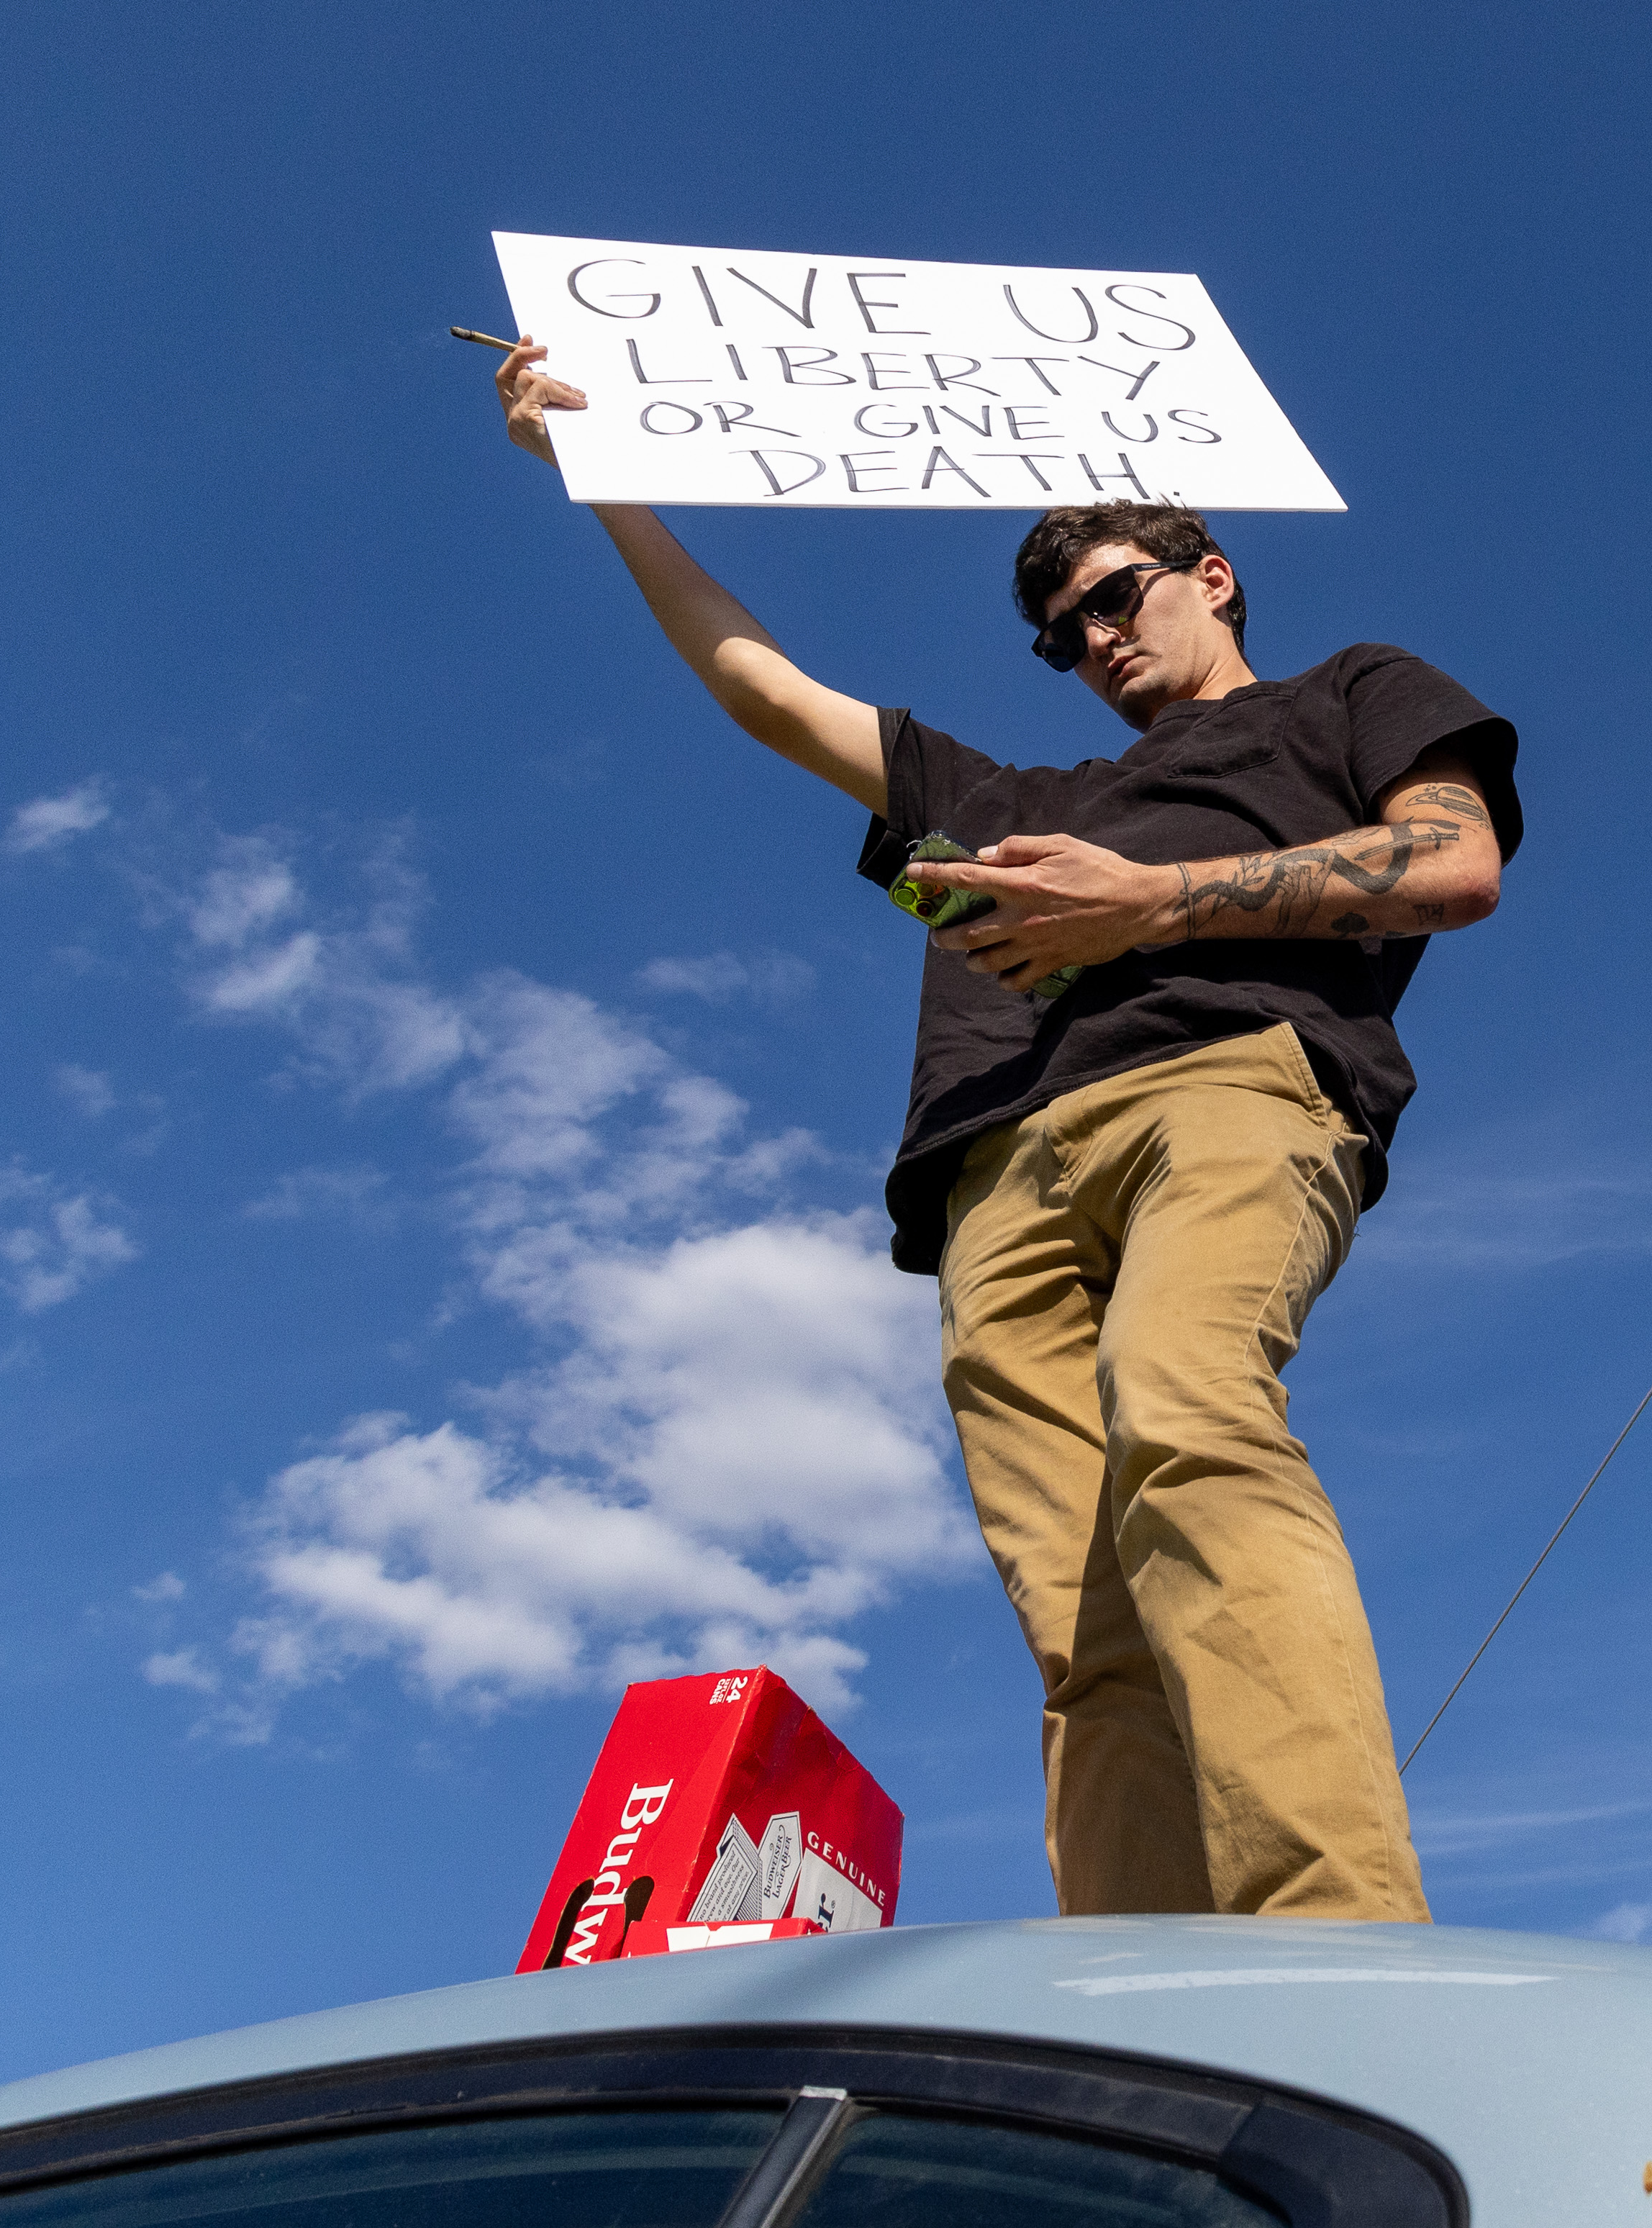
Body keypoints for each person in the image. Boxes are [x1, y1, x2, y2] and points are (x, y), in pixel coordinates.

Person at [494, 338, 1520, 1921]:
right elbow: (759, 687)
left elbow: (1453, 868)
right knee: (1080, 1612)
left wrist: (1146, 907)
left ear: (1214, 574)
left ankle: (1333, 1941)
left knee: (1188, 1415)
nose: (1095, 640)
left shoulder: (1348, 694)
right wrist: (598, 473)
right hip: (995, 1178)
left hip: (1228, 1088)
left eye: (1118, 598)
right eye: (1061, 636)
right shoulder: (1003, 789)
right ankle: (1138, 1996)